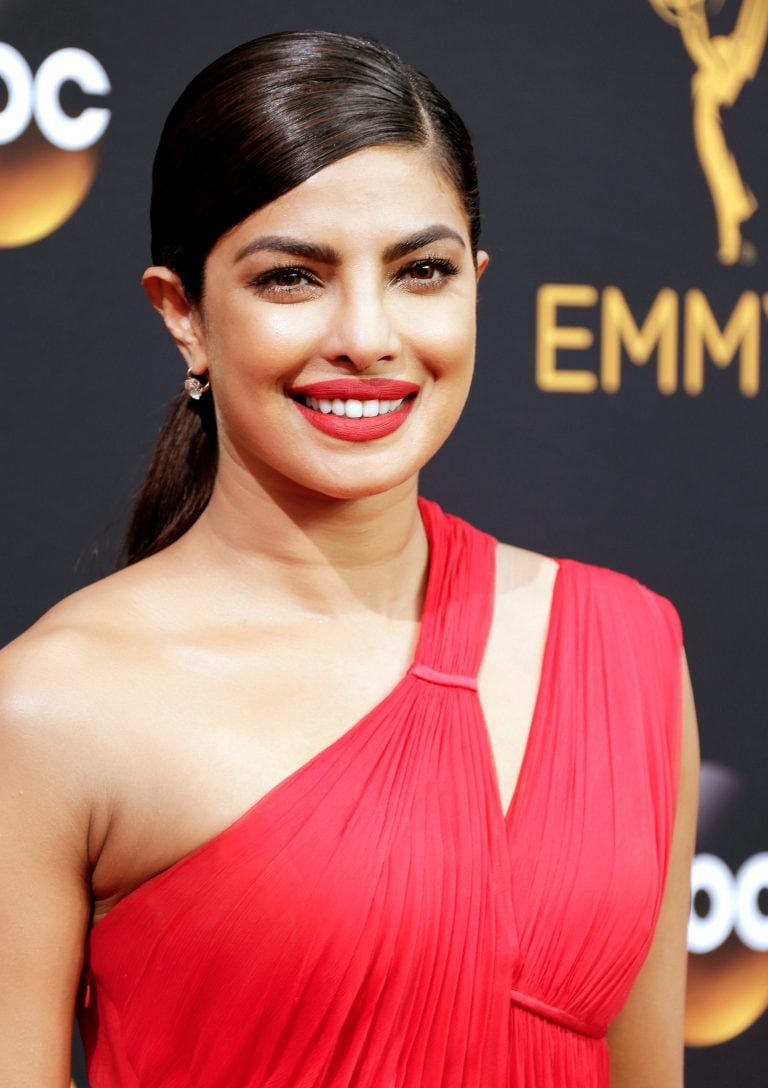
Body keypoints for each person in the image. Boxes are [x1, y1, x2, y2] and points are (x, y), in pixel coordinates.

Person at [0, 30, 698, 1088]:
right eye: (292, 278)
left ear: (476, 283)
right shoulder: (51, 710)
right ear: (182, 313)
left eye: (421, 270)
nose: (367, 334)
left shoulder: (624, 646)